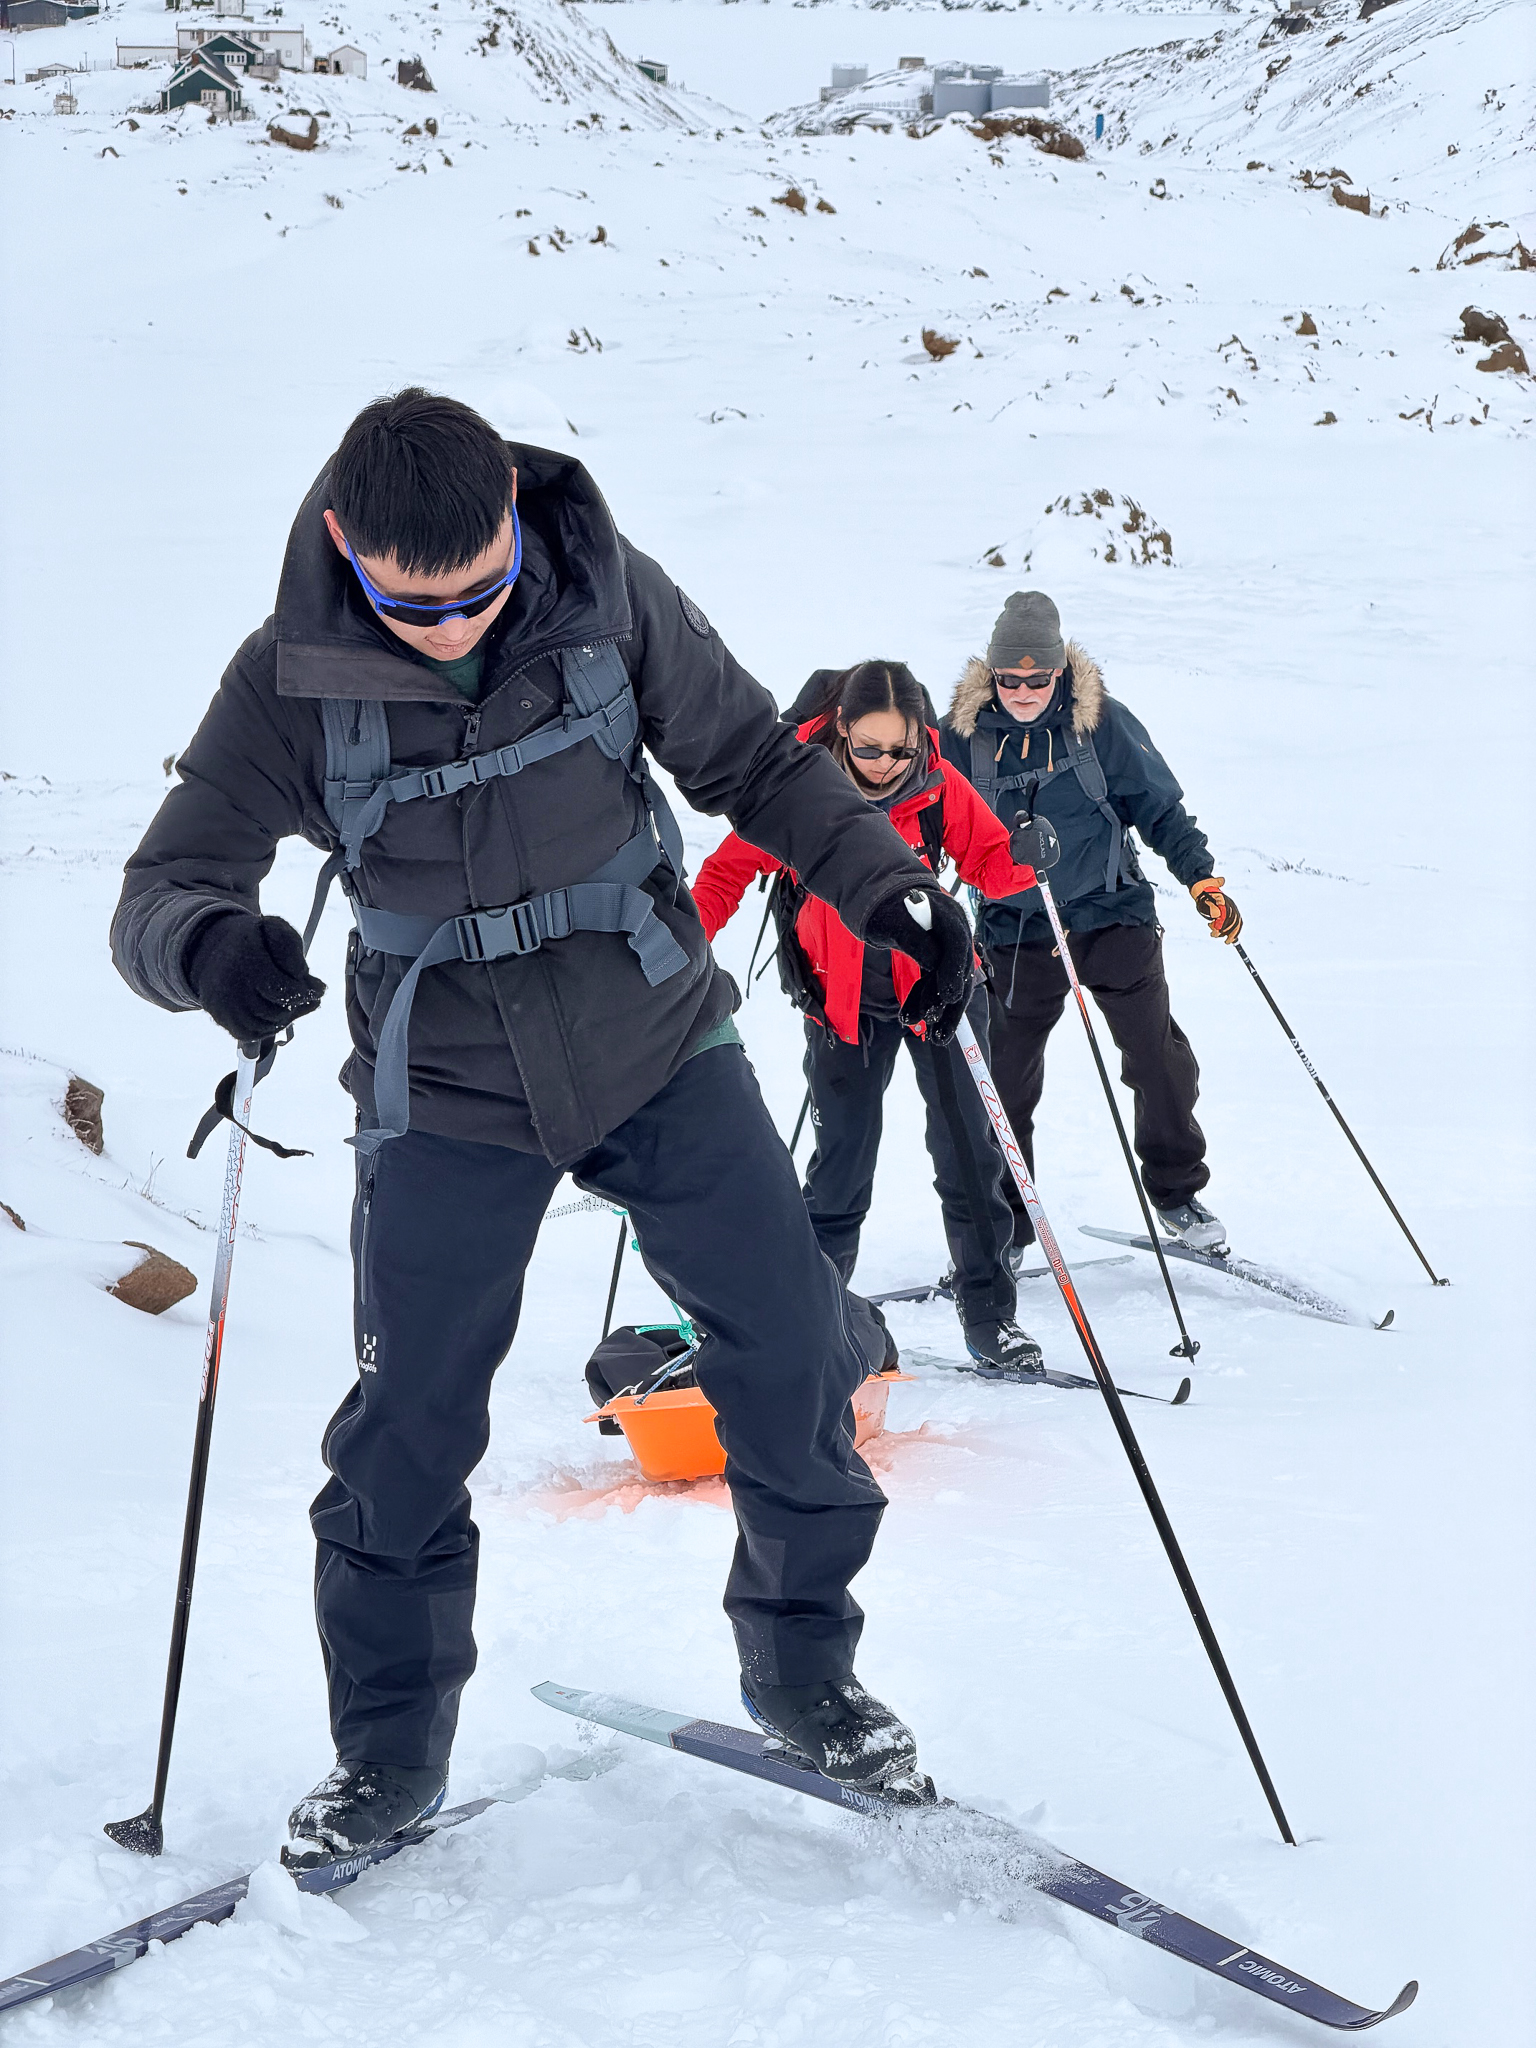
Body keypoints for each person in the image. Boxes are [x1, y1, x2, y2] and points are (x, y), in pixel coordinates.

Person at [111, 390, 981, 1858]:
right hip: (443, 1090)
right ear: (346, 542)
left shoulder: (603, 592)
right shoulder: (285, 682)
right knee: (407, 1429)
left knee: (792, 1346)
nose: (451, 624)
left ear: (515, 516)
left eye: (480, 590)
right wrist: (208, 948)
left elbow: (759, 765)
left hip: (657, 1043)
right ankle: (388, 1758)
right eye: (410, 600)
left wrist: (881, 880)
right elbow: (162, 886)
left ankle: (806, 1676)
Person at [691, 662, 1046, 1377]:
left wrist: (1029, 859)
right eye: (871, 749)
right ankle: (811, 1322)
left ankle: (990, 1320)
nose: (888, 765)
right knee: (839, 1174)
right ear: (843, 731)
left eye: (902, 750)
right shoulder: (797, 795)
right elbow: (725, 875)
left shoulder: (940, 787)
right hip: (840, 1011)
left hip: (940, 999)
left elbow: (990, 864)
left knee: (970, 1162)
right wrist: (684, 947)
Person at [940, 591, 1241, 1255]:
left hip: (1113, 914)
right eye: (1008, 679)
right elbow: (925, 819)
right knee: (1003, 1080)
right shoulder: (958, 738)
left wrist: (1202, 878)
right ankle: (1009, 1224)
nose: (1022, 691)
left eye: (1037, 679)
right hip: (1014, 929)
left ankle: (1176, 1192)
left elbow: (1160, 809)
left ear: (1059, 674)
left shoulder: (1099, 723)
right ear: (991, 675)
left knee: (1157, 1057)